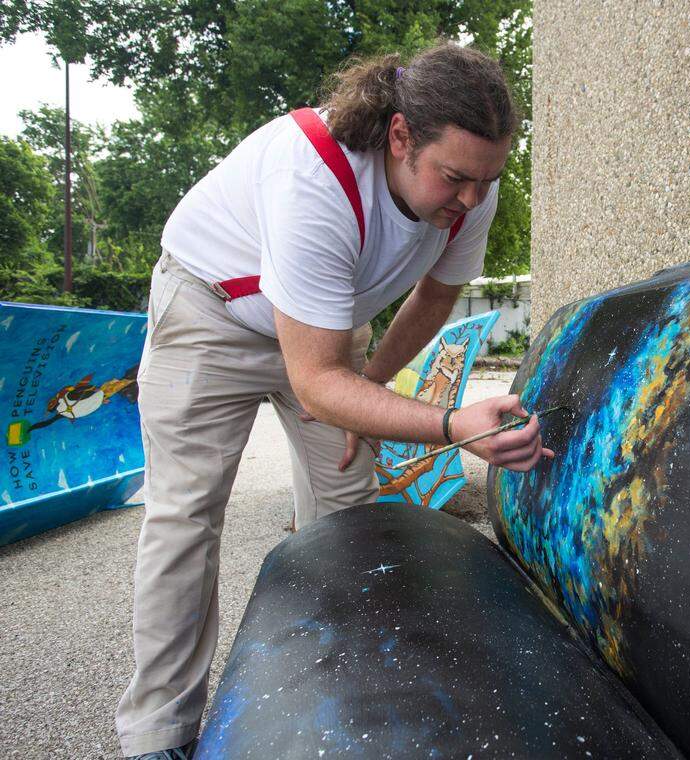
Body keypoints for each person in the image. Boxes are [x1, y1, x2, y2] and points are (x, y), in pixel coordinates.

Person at [115, 43, 551, 759]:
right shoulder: (312, 176)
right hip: (212, 315)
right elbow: (317, 385)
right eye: (455, 178)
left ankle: (346, 699)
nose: (473, 200)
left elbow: (434, 294)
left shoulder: (470, 183)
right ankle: (157, 733)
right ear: (400, 136)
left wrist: (370, 385)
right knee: (186, 514)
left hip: (329, 322)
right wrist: (449, 425)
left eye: (488, 178)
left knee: (350, 506)